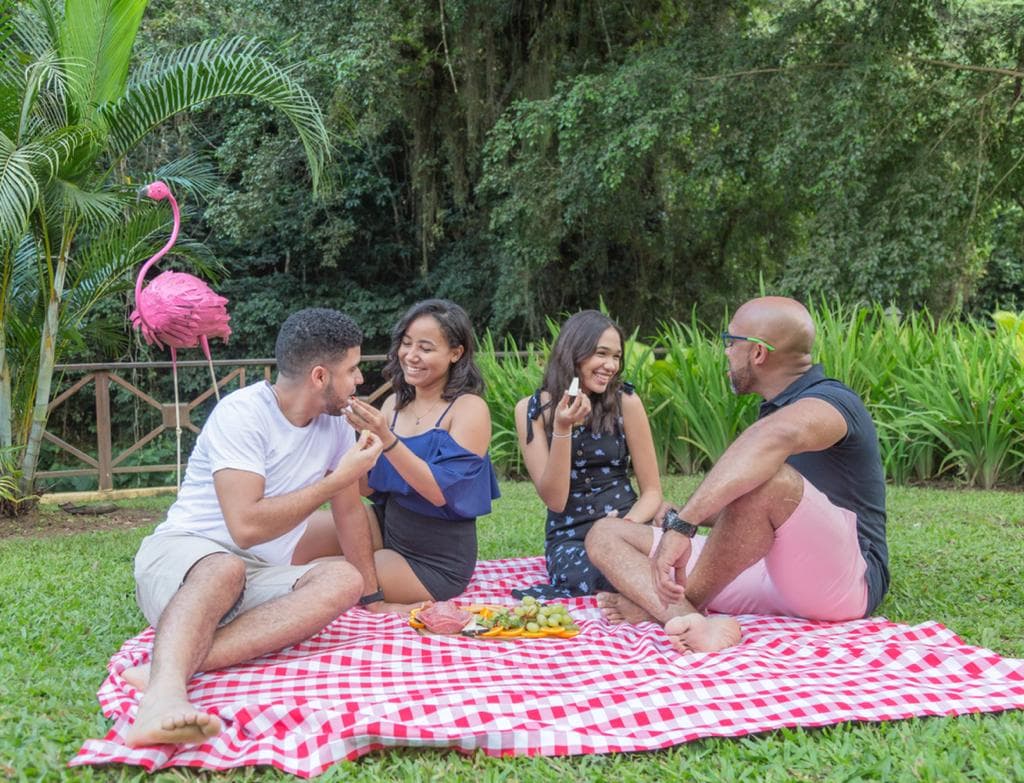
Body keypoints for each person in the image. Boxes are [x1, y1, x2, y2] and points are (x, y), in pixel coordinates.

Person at [124, 308, 391, 747]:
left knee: (343, 579)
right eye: (353, 369)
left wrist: (371, 595)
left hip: (254, 574)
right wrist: (337, 479)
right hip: (184, 558)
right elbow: (245, 526)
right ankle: (163, 697)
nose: (359, 380)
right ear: (320, 376)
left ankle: (176, 660)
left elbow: (348, 512)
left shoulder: (334, 426)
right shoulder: (243, 414)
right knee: (225, 567)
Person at [585, 296, 889, 654]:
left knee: (770, 479)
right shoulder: (777, 407)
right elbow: (744, 508)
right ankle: (690, 619)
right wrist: (674, 517)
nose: (726, 353)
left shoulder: (833, 401)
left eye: (731, 342)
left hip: (843, 581)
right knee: (605, 534)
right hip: (767, 567)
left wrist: (684, 525)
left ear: (758, 353)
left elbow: (775, 441)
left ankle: (662, 607)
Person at [337, 299, 500, 603]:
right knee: (300, 542)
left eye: (425, 348)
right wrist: (345, 440)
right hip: (388, 527)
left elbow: (440, 492)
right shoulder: (394, 405)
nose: (410, 356)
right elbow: (370, 487)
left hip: (434, 562)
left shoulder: (468, 409)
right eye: (406, 343)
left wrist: (387, 439)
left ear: (456, 353)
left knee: (321, 575)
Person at [513, 310, 662, 599]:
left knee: (672, 560)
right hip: (573, 536)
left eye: (616, 356)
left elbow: (652, 492)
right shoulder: (531, 411)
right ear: (574, 353)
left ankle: (643, 592)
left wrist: (622, 527)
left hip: (628, 525)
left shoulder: (625, 402)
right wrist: (562, 427)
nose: (611, 366)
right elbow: (555, 500)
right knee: (596, 575)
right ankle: (641, 596)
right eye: (601, 354)